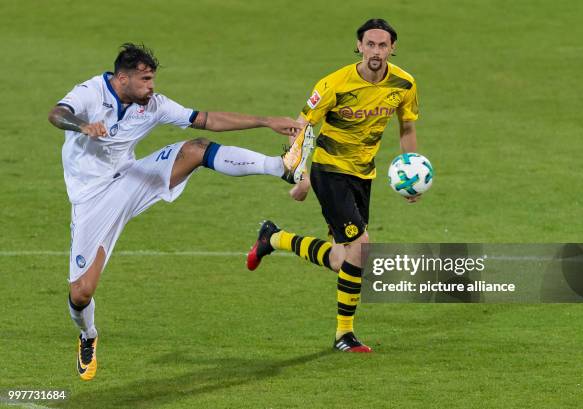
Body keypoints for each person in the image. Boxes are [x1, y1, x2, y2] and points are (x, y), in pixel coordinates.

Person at [48, 43, 310, 380]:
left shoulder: (152, 105)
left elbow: (206, 120)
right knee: (81, 292)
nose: (151, 87)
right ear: (122, 79)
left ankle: (281, 167)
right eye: (145, 79)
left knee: (196, 149)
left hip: (130, 179)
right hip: (91, 200)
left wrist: (265, 121)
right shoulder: (91, 91)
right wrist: (81, 125)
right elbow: (56, 114)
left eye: (153, 79)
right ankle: (89, 335)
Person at [246, 19, 420, 352]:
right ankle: (344, 334)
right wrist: (301, 174)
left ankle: (274, 237)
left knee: (342, 259)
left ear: (393, 48)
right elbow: (302, 129)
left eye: (383, 46)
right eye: (370, 44)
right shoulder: (333, 84)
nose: (376, 52)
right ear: (359, 45)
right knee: (361, 245)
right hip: (329, 171)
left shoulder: (404, 84)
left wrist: (410, 172)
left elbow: (407, 127)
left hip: (363, 175)